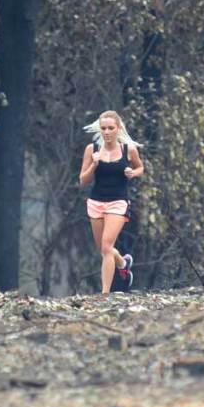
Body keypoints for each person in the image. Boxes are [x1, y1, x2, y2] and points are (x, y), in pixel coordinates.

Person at [78, 110, 144, 294]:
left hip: (118, 202)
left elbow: (140, 168)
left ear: (118, 128)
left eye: (110, 128)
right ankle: (123, 263)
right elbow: (83, 180)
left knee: (107, 246)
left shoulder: (128, 149)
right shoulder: (92, 150)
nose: (106, 132)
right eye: (103, 128)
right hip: (96, 202)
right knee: (103, 249)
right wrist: (94, 165)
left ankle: (105, 294)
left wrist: (133, 172)